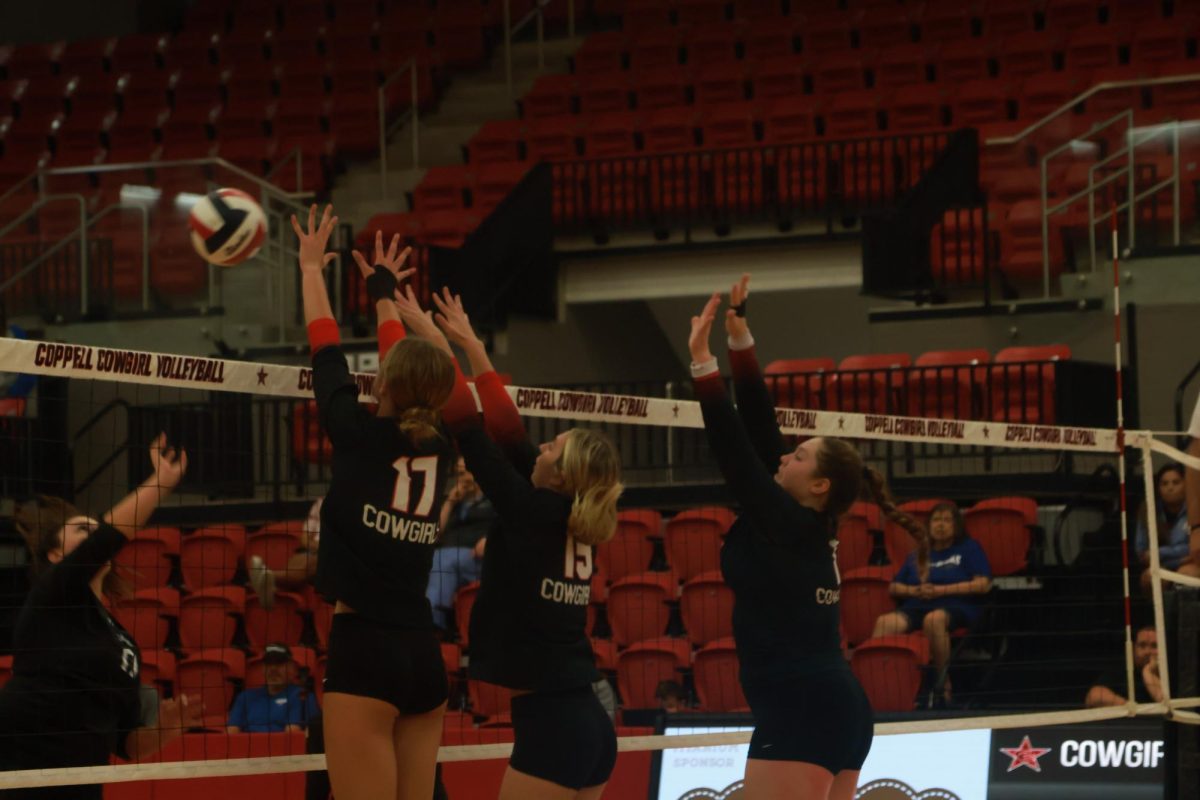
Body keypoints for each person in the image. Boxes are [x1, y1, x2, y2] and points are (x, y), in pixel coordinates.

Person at [686, 275, 921, 800]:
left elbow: (734, 448)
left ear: (818, 484)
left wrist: (702, 362)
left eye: (799, 456)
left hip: (801, 709)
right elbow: (761, 425)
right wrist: (740, 340)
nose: (784, 456)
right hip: (834, 707)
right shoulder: (801, 522)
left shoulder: (785, 522)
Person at [394, 286, 622, 800]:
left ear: (562, 476)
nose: (541, 445)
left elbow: (473, 431)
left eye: (553, 446)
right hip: (584, 721)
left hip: (555, 728)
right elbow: (508, 429)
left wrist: (432, 342)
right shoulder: (558, 513)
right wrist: (472, 345)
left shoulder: (536, 511)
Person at [293, 207, 457, 800]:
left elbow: (325, 344)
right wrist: (384, 292)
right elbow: (403, 365)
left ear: (382, 382)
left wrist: (312, 268)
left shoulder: (355, 436)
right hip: (422, 653)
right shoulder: (447, 446)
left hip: (364, 652)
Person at [0, 435, 203, 799]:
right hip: (18, 768)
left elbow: (126, 744)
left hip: (79, 785)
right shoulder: (53, 596)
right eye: (82, 529)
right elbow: (110, 536)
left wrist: (166, 730)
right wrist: (160, 483)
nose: (94, 533)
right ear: (55, 554)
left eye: (94, 527)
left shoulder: (122, 643)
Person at [871, 502, 992, 706]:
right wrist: (914, 591)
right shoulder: (920, 553)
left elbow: (983, 584)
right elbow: (894, 587)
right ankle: (881, 685)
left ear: (956, 525)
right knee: (885, 623)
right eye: (936, 520)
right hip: (918, 604)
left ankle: (941, 681)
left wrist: (941, 590)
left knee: (933, 620)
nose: (941, 525)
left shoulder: (969, 548)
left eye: (947, 520)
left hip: (956, 605)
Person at [426, 458, 495, 631]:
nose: (462, 478)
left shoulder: (493, 499)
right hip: (447, 556)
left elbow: (510, 525)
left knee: (443, 560)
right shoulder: (457, 503)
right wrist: (450, 501)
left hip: (477, 558)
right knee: (434, 559)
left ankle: (432, 618)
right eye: (459, 474)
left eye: (465, 472)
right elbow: (435, 532)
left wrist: (491, 540)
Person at [249, 497, 324, 610]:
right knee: (299, 560)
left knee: (313, 562)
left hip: (334, 556)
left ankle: (269, 578)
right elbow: (304, 539)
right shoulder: (321, 502)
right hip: (312, 549)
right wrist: (317, 547)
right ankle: (269, 580)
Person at [227, 643, 320, 733]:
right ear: (263, 669)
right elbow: (232, 733)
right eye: (269, 664)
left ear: (292, 668)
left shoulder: (301, 696)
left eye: (279, 664)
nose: (273, 669)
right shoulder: (245, 697)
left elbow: (292, 735)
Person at [1136, 463, 1199, 593]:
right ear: (1158, 488)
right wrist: (1179, 558)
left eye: (1176, 482)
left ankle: (1185, 613)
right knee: (1150, 579)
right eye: (1164, 484)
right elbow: (1142, 552)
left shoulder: (1196, 510)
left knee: (1186, 574)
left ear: (1186, 484)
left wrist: (1160, 553)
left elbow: (1193, 548)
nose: (1170, 488)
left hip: (1191, 564)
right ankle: (1160, 613)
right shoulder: (1147, 511)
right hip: (1160, 566)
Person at [1085, 625, 1163, 707]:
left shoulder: (1173, 672)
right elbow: (1093, 696)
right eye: (1142, 645)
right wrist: (1130, 707)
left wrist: (1148, 672)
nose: (1147, 652)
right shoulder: (1123, 671)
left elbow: (1164, 702)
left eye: (1154, 646)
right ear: (1133, 649)